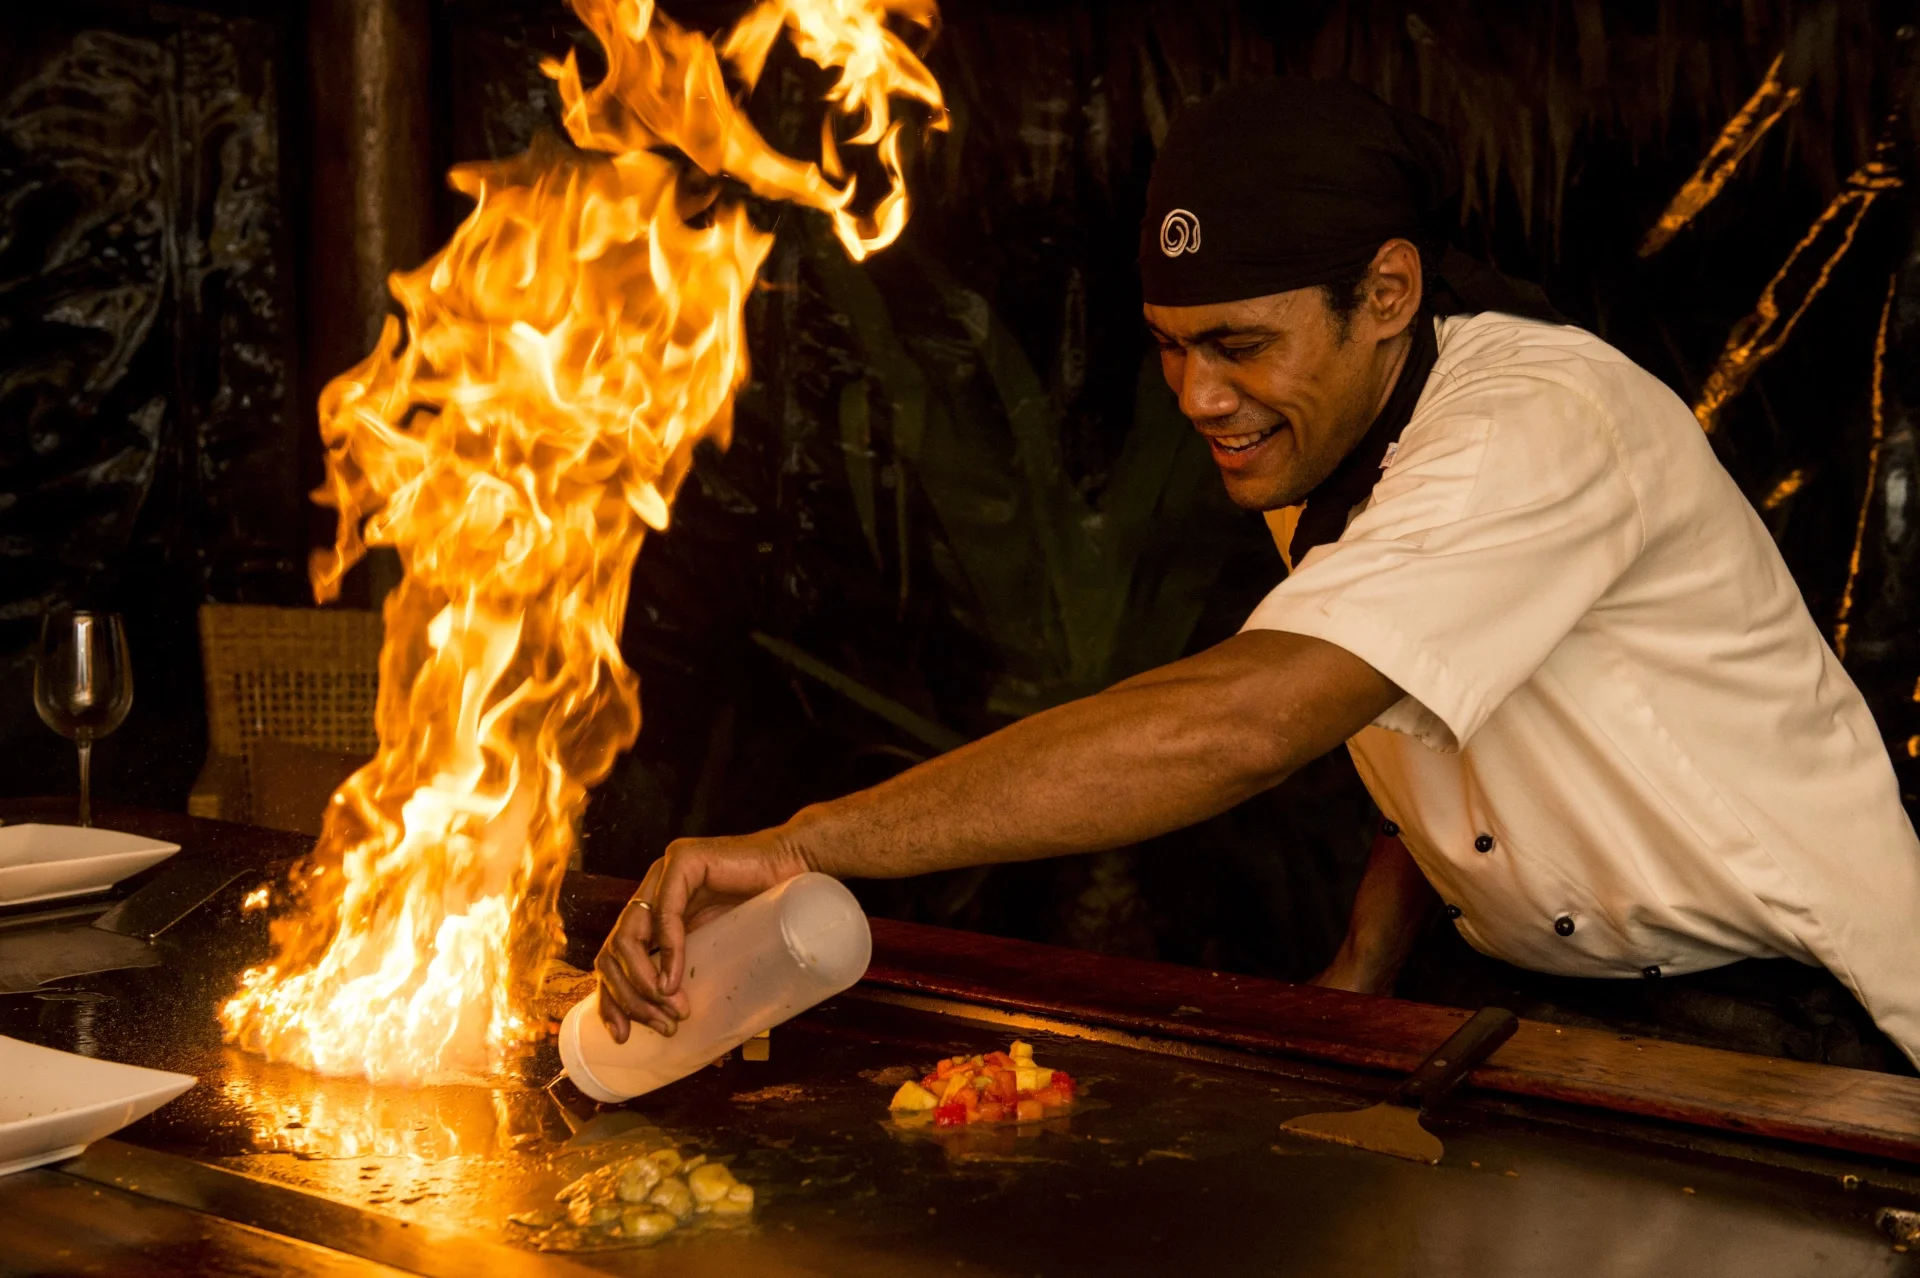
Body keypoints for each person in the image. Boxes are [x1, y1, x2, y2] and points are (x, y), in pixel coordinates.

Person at [591, 78, 1920, 1072]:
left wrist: (801, 843)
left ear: (1388, 293)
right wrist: (1363, 962)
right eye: (1172, 346)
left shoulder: (1533, 428)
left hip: (1795, 1014)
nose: (1197, 396)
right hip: (1543, 1001)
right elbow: (1444, 725)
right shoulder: (1322, 431)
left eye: (1238, 344)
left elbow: (1244, 725)